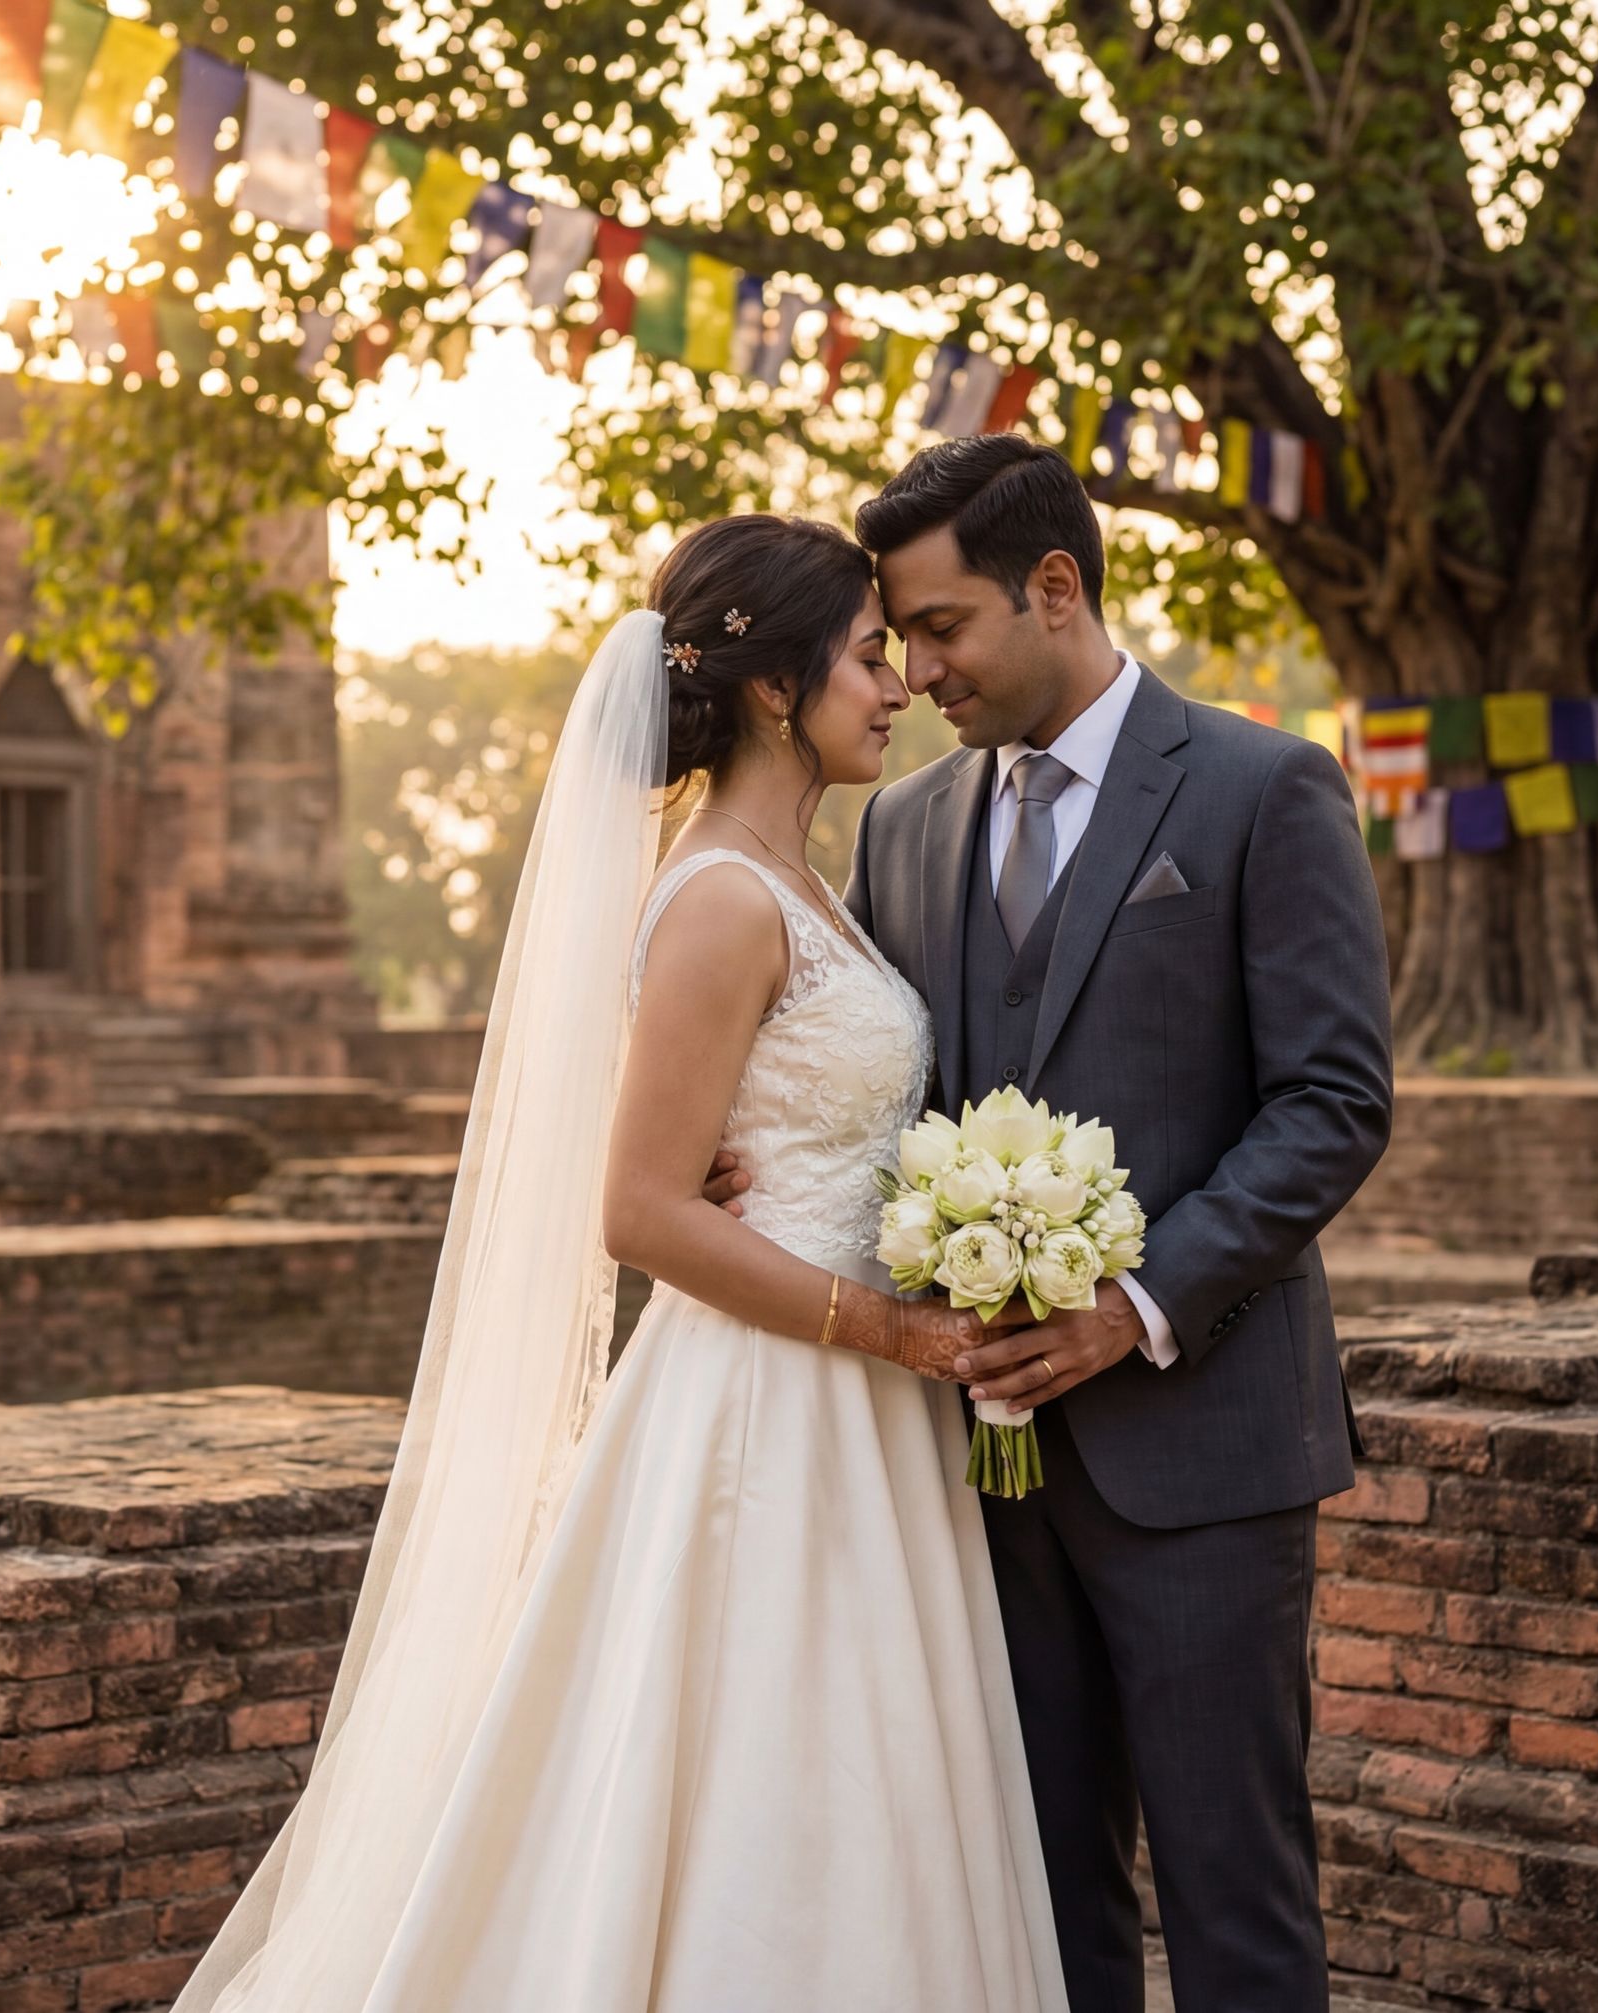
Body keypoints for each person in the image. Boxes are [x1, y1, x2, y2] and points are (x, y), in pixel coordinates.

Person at [175, 513, 1073, 2012]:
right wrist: (895, 1330)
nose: (899, 685)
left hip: (865, 1403)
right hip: (776, 1402)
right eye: (869, 657)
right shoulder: (722, 894)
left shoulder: (804, 881)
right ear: (775, 688)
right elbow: (644, 1213)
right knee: (765, 1766)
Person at [839, 431, 1394, 2010]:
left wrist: (1132, 1307)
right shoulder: (902, 826)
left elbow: (1332, 1101)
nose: (917, 671)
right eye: (901, 638)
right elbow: (876, 1088)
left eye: (941, 627)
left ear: (1054, 587)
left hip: (1203, 1448)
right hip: (978, 1467)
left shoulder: (1263, 786)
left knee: (1235, 1895)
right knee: (1033, 1899)